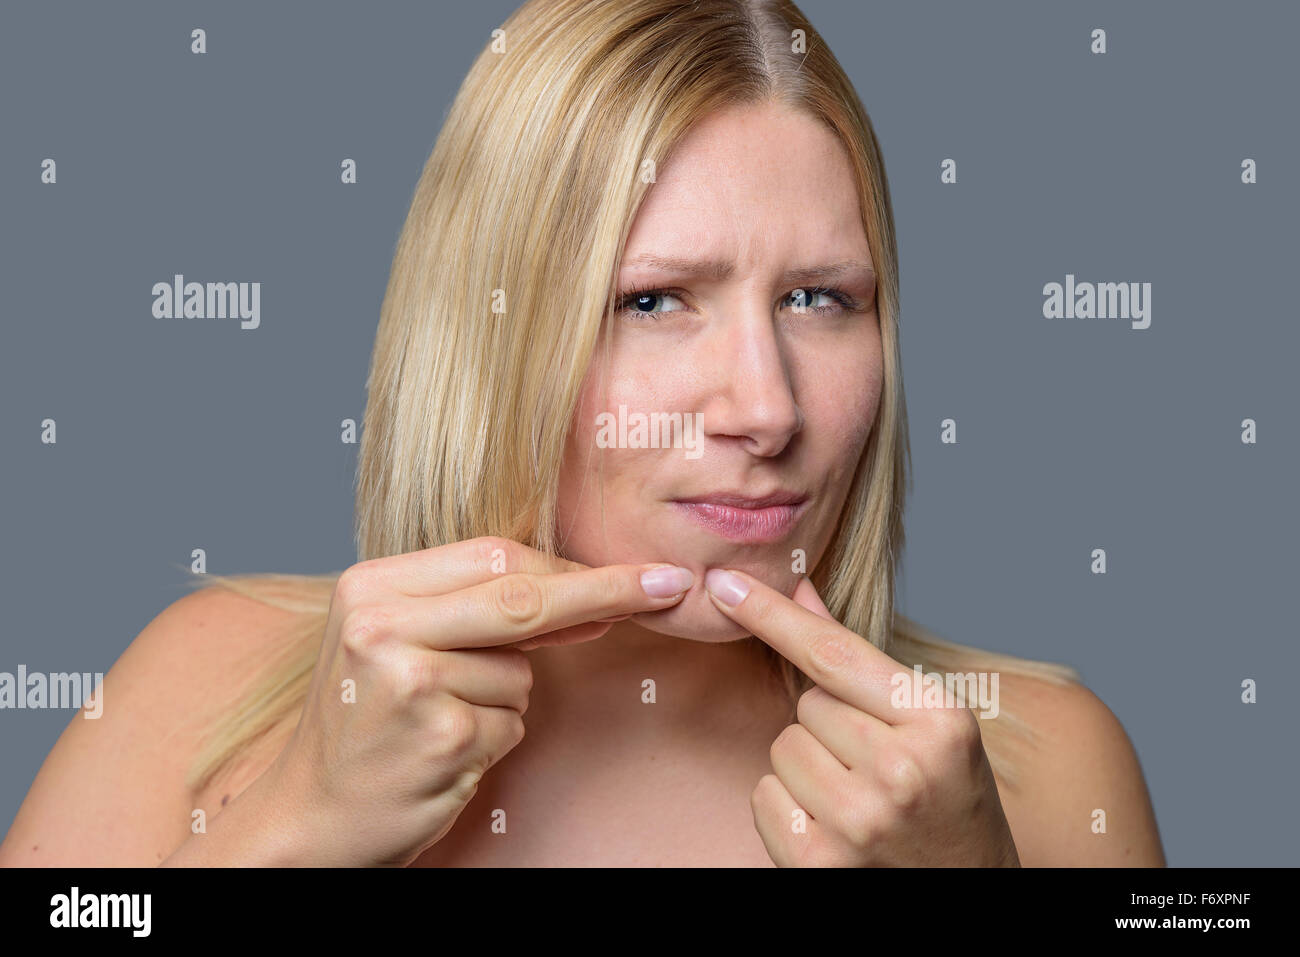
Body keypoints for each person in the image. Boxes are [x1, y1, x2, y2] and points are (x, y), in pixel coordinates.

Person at [0, 0, 1164, 867]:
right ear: (490, 331)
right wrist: (292, 828)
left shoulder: (1040, 764)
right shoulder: (206, 678)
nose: (767, 409)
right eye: (652, 300)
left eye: (821, 299)